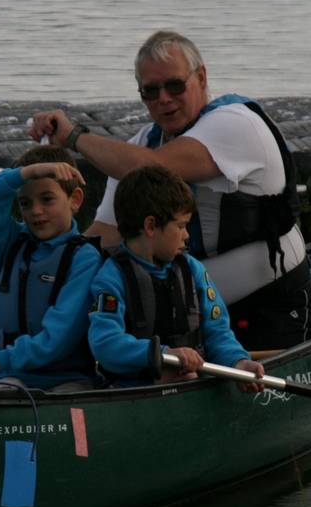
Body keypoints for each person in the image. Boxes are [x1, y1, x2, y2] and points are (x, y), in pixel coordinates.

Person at [29, 29, 311, 350]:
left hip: (268, 306)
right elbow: (103, 236)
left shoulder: (236, 123)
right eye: (150, 91)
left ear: (202, 77)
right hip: (186, 312)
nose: (164, 99)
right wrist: (48, 277)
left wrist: (73, 137)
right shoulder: (138, 146)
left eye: (175, 85)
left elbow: (152, 168)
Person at [88, 164, 265, 391]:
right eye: (181, 226)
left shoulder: (193, 270)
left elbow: (218, 332)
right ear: (151, 226)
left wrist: (237, 361)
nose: (187, 235)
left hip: (190, 379)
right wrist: (164, 355)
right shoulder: (111, 278)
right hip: (135, 388)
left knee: (193, 375)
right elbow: (105, 344)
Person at [0, 145, 102, 391]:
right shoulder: (10, 244)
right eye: (25, 203)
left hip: (65, 380)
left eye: (47, 199)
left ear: (74, 200)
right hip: (8, 376)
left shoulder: (85, 259)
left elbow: (59, 337)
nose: (36, 211)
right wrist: (26, 173)